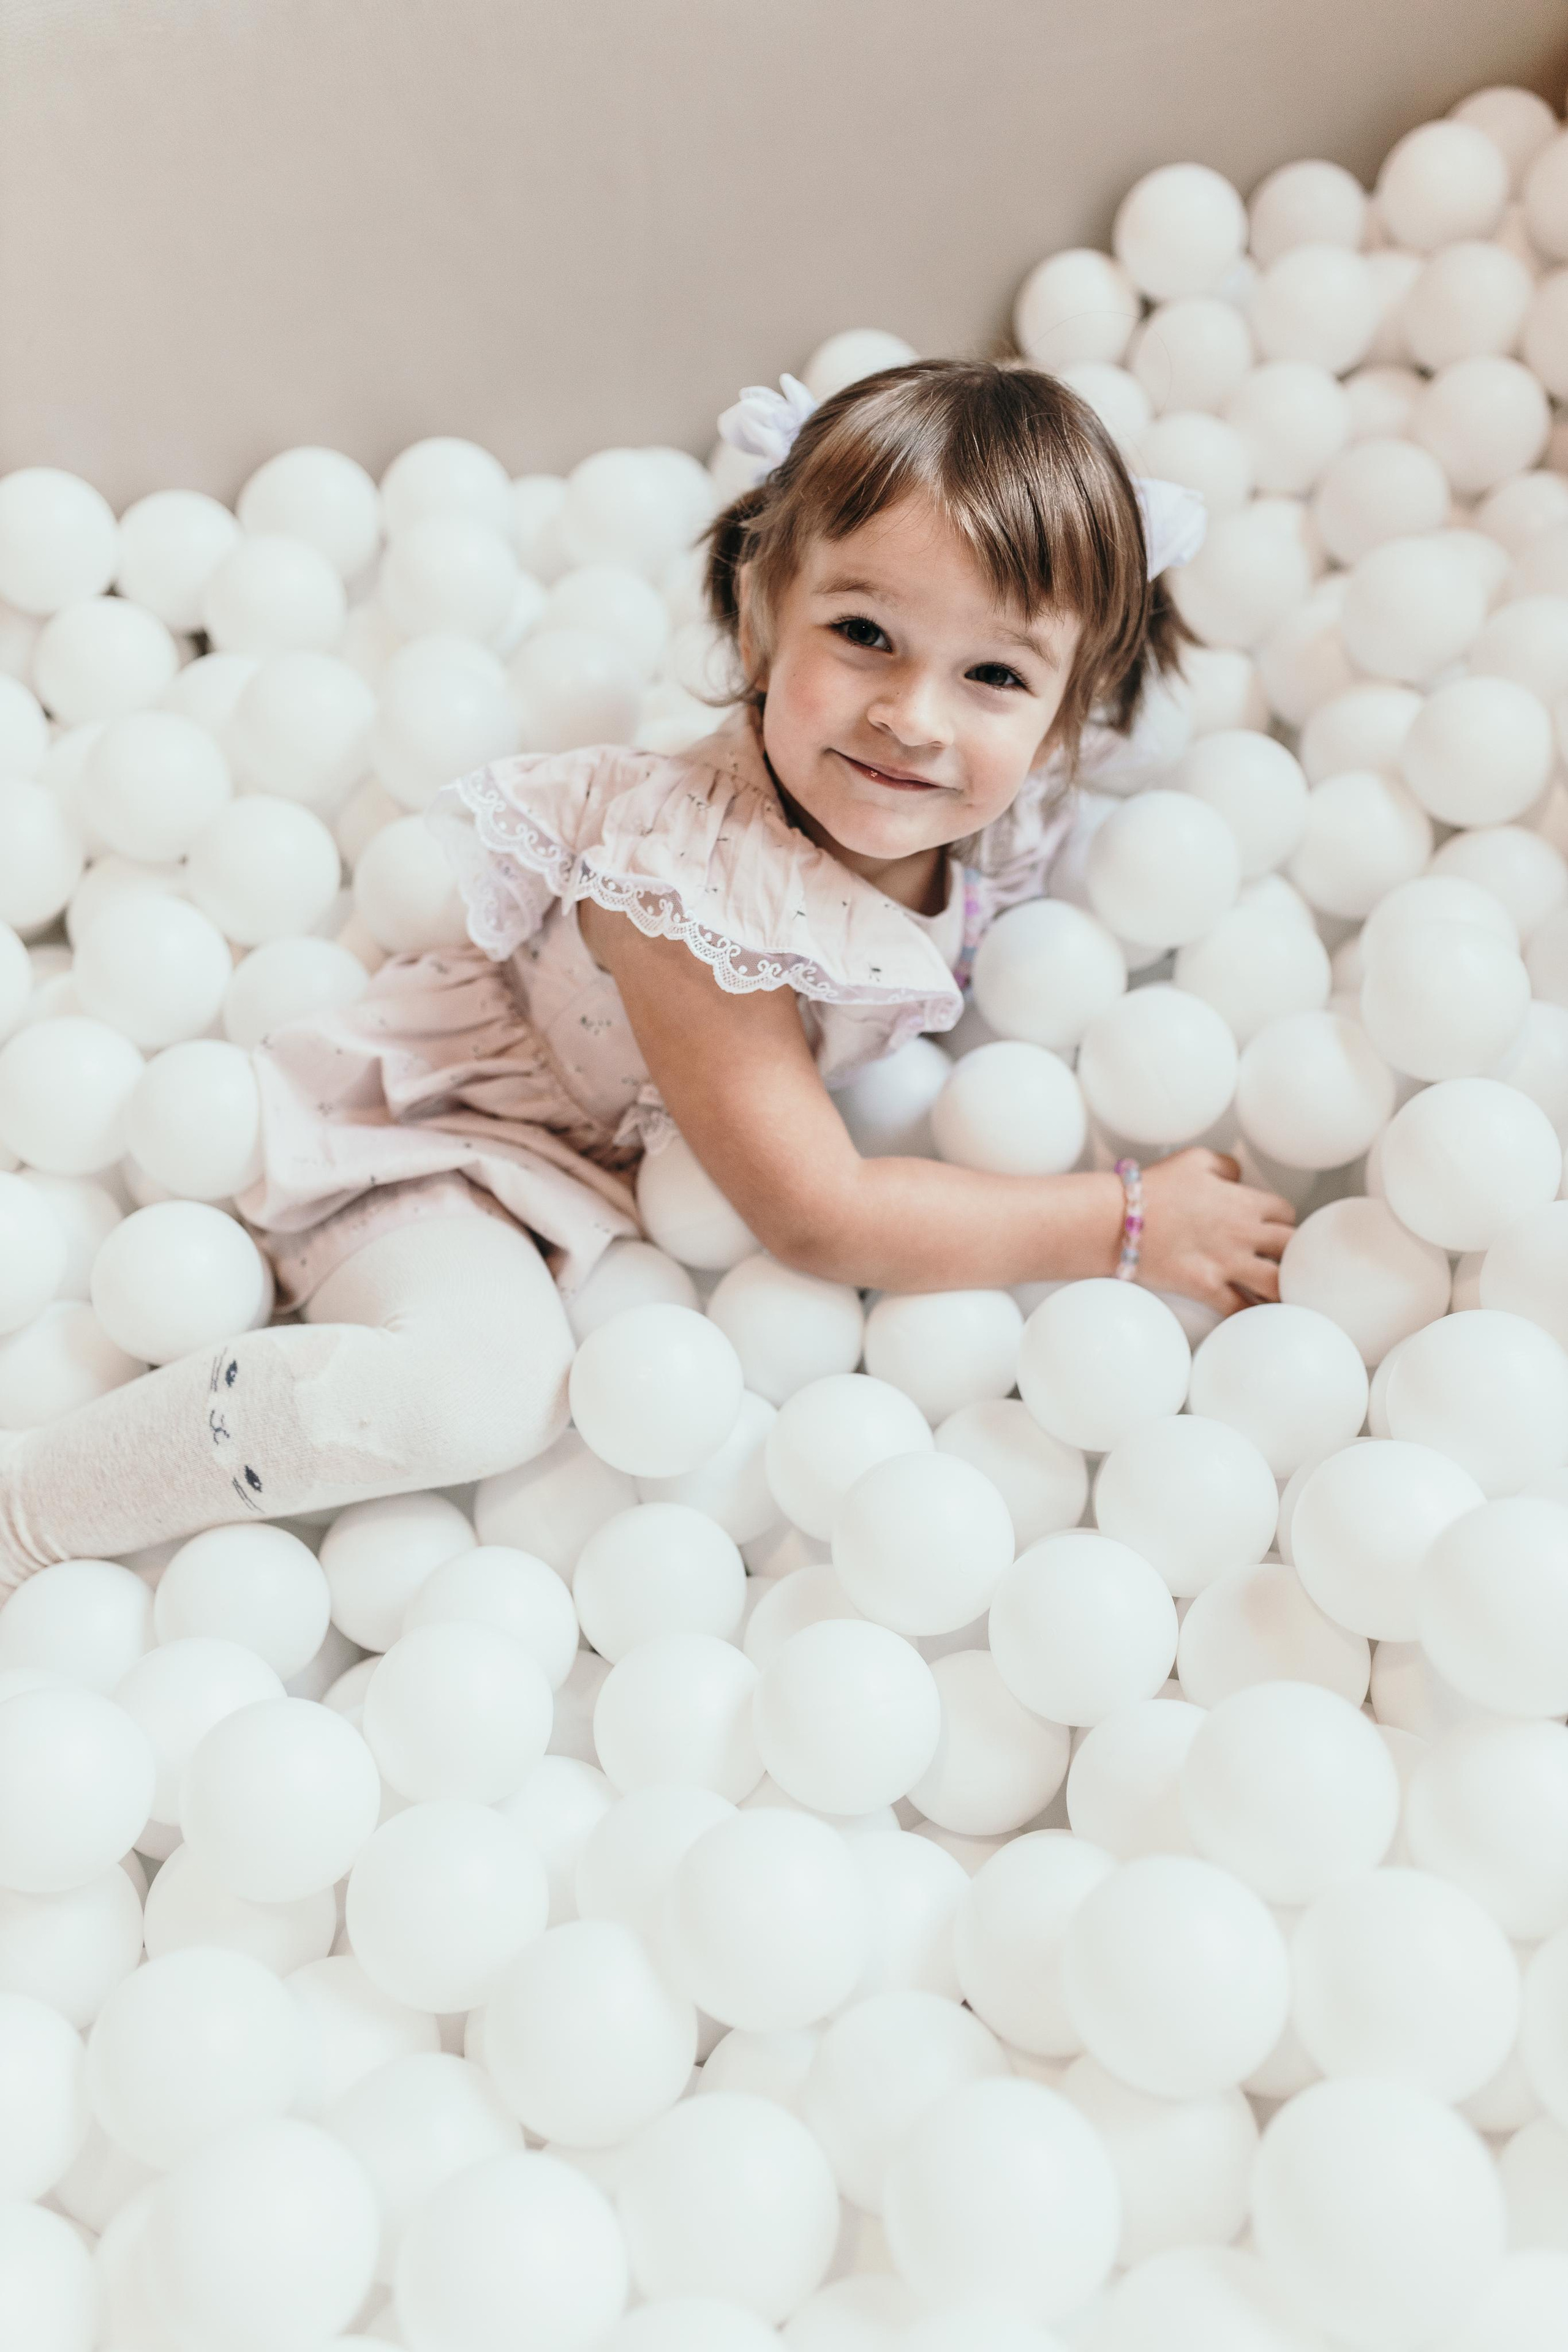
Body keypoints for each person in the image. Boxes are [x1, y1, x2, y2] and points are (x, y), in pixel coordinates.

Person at [0, 358, 1293, 1585]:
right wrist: (1123, 1222)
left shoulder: (997, 795)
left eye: (995, 673)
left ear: (1066, 708)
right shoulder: (690, 888)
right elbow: (815, 1212)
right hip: (464, 1149)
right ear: (760, 614)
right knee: (479, 1396)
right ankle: (34, 1510)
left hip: (641, 1202)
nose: (915, 715)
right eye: (862, 634)